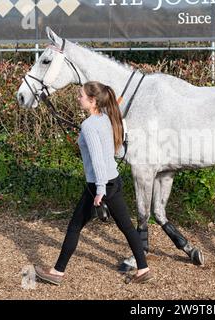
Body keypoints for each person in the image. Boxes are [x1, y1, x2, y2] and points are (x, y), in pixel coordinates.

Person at [34, 81, 152, 285]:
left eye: (81, 95)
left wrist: (99, 190)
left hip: (100, 184)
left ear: (92, 100)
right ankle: (143, 269)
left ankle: (57, 272)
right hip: (113, 180)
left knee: (74, 227)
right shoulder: (106, 119)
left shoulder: (89, 125)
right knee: (127, 227)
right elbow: (116, 152)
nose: (77, 98)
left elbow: (97, 160)